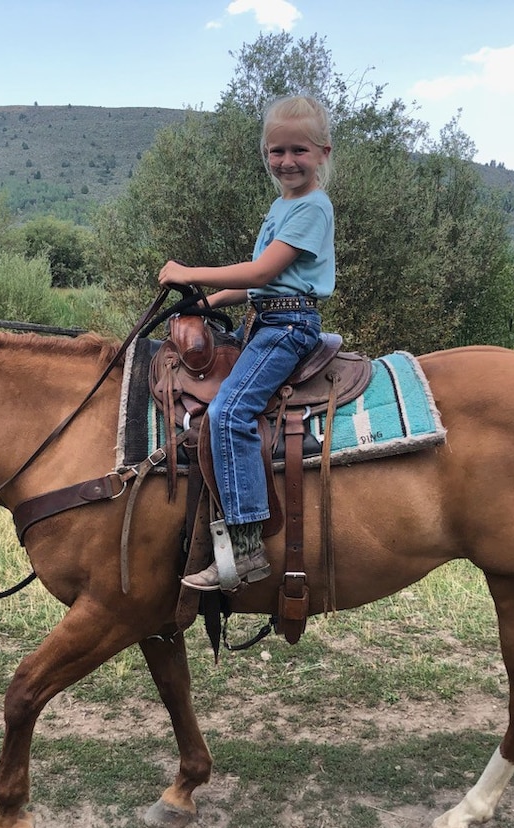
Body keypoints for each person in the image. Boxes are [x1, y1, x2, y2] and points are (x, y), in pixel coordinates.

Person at [158, 94, 335, 592]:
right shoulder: (282, 206)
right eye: (276, 151)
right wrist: (206, 303)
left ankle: (245, 545)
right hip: (265, 321)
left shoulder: (312, 209)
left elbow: (261, 270)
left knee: (230, 413)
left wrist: (187, 272)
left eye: (298, 150)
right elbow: (257, 286)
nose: (286, 161)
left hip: (288, 328)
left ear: (323, 152)